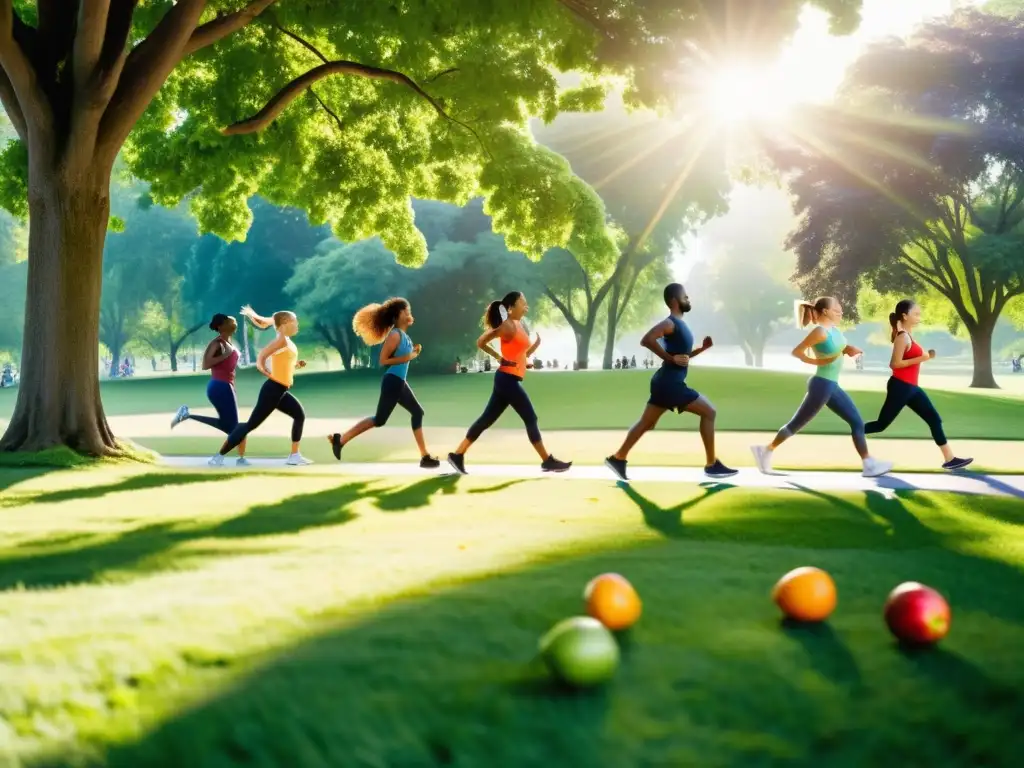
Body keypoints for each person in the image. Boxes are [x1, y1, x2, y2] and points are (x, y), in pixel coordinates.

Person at [604, 283, 738, 482]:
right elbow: (647, 340)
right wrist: (669, 358)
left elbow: (681, 357)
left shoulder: (680, 325)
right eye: (685, 296)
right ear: (675, 301)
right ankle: (711, 464)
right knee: (709, 411)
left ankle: (618, 458)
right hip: (670, 384)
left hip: (663, 382)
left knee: (646, 423)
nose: (688, 299)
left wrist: (701, 349)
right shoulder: (670, 323)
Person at [751, 297, 892, 478]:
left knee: (857, 422)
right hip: (822, 384)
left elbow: (837, 347)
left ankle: (869, 464)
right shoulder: (819, 331)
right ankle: (766, 450)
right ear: (825, 311)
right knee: (796, 425)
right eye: (837, 309)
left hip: (832, 385)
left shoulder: (834, 330)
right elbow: (797, 351)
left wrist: (849, 349)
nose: (840, 312)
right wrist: (818, 361)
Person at [447, 291, 571, 475]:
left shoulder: (519, 325)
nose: (526, 304)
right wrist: (499, 357)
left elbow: (521, 353)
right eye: (523, 302)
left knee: (486, 419)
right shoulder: (507, 327)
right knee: (531, 418)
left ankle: (457, 455)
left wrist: (533, 349)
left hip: (507, 380)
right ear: (511, 308)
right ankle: (547, 461)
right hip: (507, 380)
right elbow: (481, 341)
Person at [328, 298, 440, 468]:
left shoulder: (404, 336)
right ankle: (341, 440)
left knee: (417, 412)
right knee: (380, 420)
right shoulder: (394, 335)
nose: (409, 313)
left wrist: (413, 352)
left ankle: (425, 457)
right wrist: (408, 357)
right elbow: (383, 360)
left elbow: (403, 358)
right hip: (393, 381)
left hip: (399, 381)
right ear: (398, 315)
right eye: (406, 311)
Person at [864, 299, 973, 471]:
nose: (918, 317)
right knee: (881, 425)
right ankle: (855, 430)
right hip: (900, 386)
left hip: (912, 388)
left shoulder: (909, 336)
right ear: (904, 316)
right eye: (915, 314)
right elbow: (894, 364)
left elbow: (911, 360)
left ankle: (950, 459)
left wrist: (926, 357)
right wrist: (922, 358)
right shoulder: (902, 337)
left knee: (934, 419)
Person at [208, 305, 311, 466]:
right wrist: (266, 372)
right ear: (285, 324)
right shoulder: (281, 341)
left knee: (299, 415)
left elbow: (283, 364)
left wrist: (296, 365)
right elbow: (261, 358)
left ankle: (294, 455)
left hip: (280, 390)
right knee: (250, 425)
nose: (297, 324)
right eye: (295, 322)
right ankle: (218, 456)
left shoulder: (286, 341)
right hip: (273, 390)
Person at [171, 313, 249, 465]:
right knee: (237, 428)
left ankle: (239, 458)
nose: (233, 322)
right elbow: (205, 365)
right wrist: (225, 355)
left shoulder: (230, 344)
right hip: (219, 386)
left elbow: (231, 369)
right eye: (228, 321)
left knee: (232, 427)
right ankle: (219, 458)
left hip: (227, 386)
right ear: (221, 326)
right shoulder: (217, 343)